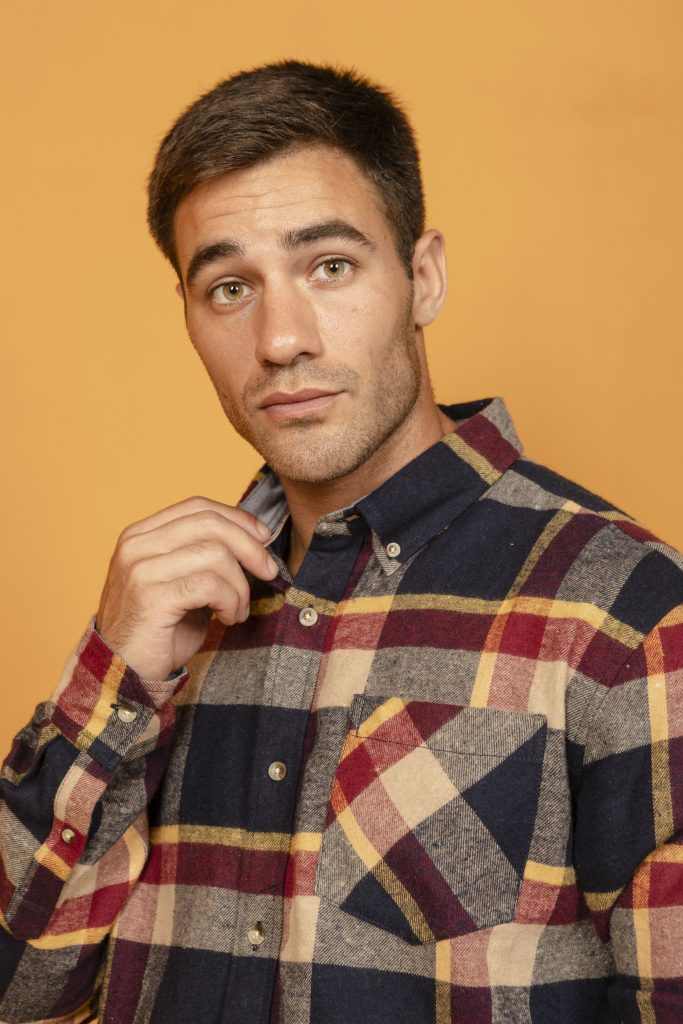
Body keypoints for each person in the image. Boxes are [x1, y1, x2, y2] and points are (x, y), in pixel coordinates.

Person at [1, 60, 682, 1024]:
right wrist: (112, 683)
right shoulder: (164, 617)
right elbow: (22, 989)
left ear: (422, 278)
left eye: (329, 266)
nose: (281, 339)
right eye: (229, 287)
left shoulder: (626, 611)